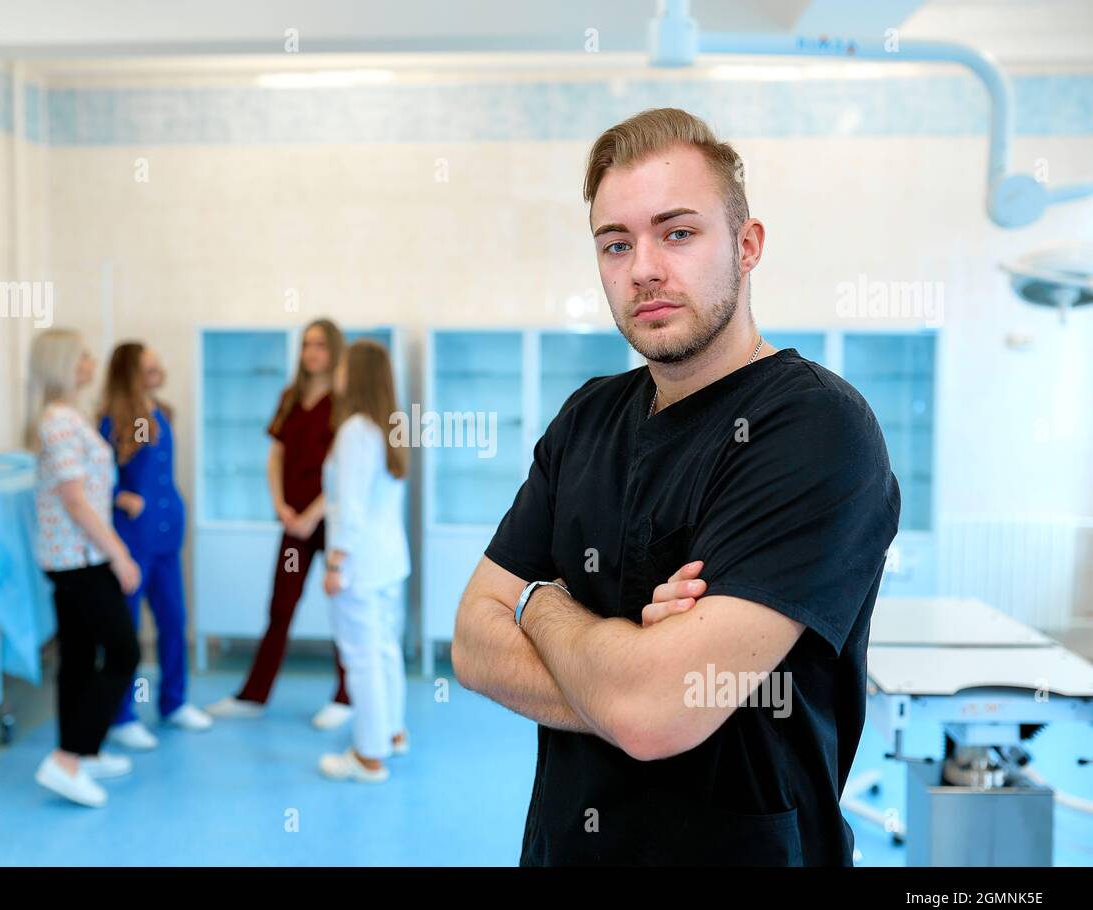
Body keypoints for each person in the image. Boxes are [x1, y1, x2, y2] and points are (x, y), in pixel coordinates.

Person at [453, 108, 900, 865]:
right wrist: (631, 679)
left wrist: (542, 605)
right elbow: (471, 642)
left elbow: (656, 710)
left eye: (678, 233)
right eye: (616, 243)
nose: (644, 268)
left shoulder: (816, 430)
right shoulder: (587, 419)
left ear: (747, 244)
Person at [207, 318, 355, 730]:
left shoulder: (345, 402)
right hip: (293, 523)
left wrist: (311, 514)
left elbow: (348, 471)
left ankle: (346, 696)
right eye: (307, 345)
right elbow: (275, 456)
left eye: (321, 345)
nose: (312, 353)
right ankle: (253, 695)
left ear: (335, 350)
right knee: (280, 606)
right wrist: (282, 507)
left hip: (330, 521)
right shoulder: (289, 397)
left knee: (343, 607)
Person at [27, 329, 142, 808]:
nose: (92, 362)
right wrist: (119, 553)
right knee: (123, 652)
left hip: (76, 558)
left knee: (77, 656)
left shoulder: (71, 418)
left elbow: (85, 489)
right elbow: (74, 500)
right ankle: (68, 758)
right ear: (66, 365)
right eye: (85, 355)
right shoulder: (58, 421)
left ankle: (83, 751)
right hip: (80, 560)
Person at [99, 342, 212, 751]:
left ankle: (174, 702)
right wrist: (119, 496)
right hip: (132, 539)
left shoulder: (162, 413)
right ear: (130, 374)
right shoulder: (111, 422)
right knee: (127, 630)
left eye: (157, 364)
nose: (158, 371)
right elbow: (91, 479)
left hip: (167, 534)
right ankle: (122, 714)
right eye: (149, 368)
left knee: (173, 620)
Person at [317, 340, 410, 782]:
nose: (336, 373)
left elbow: (349, 509)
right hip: (388, 561)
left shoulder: (355, 430)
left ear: (356, 376)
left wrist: (336, 564)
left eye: (342, 367)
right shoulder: (386, 427)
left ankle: (367, 756)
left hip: (360, 564)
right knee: (384, 650)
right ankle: (391, 734)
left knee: (361, 657)